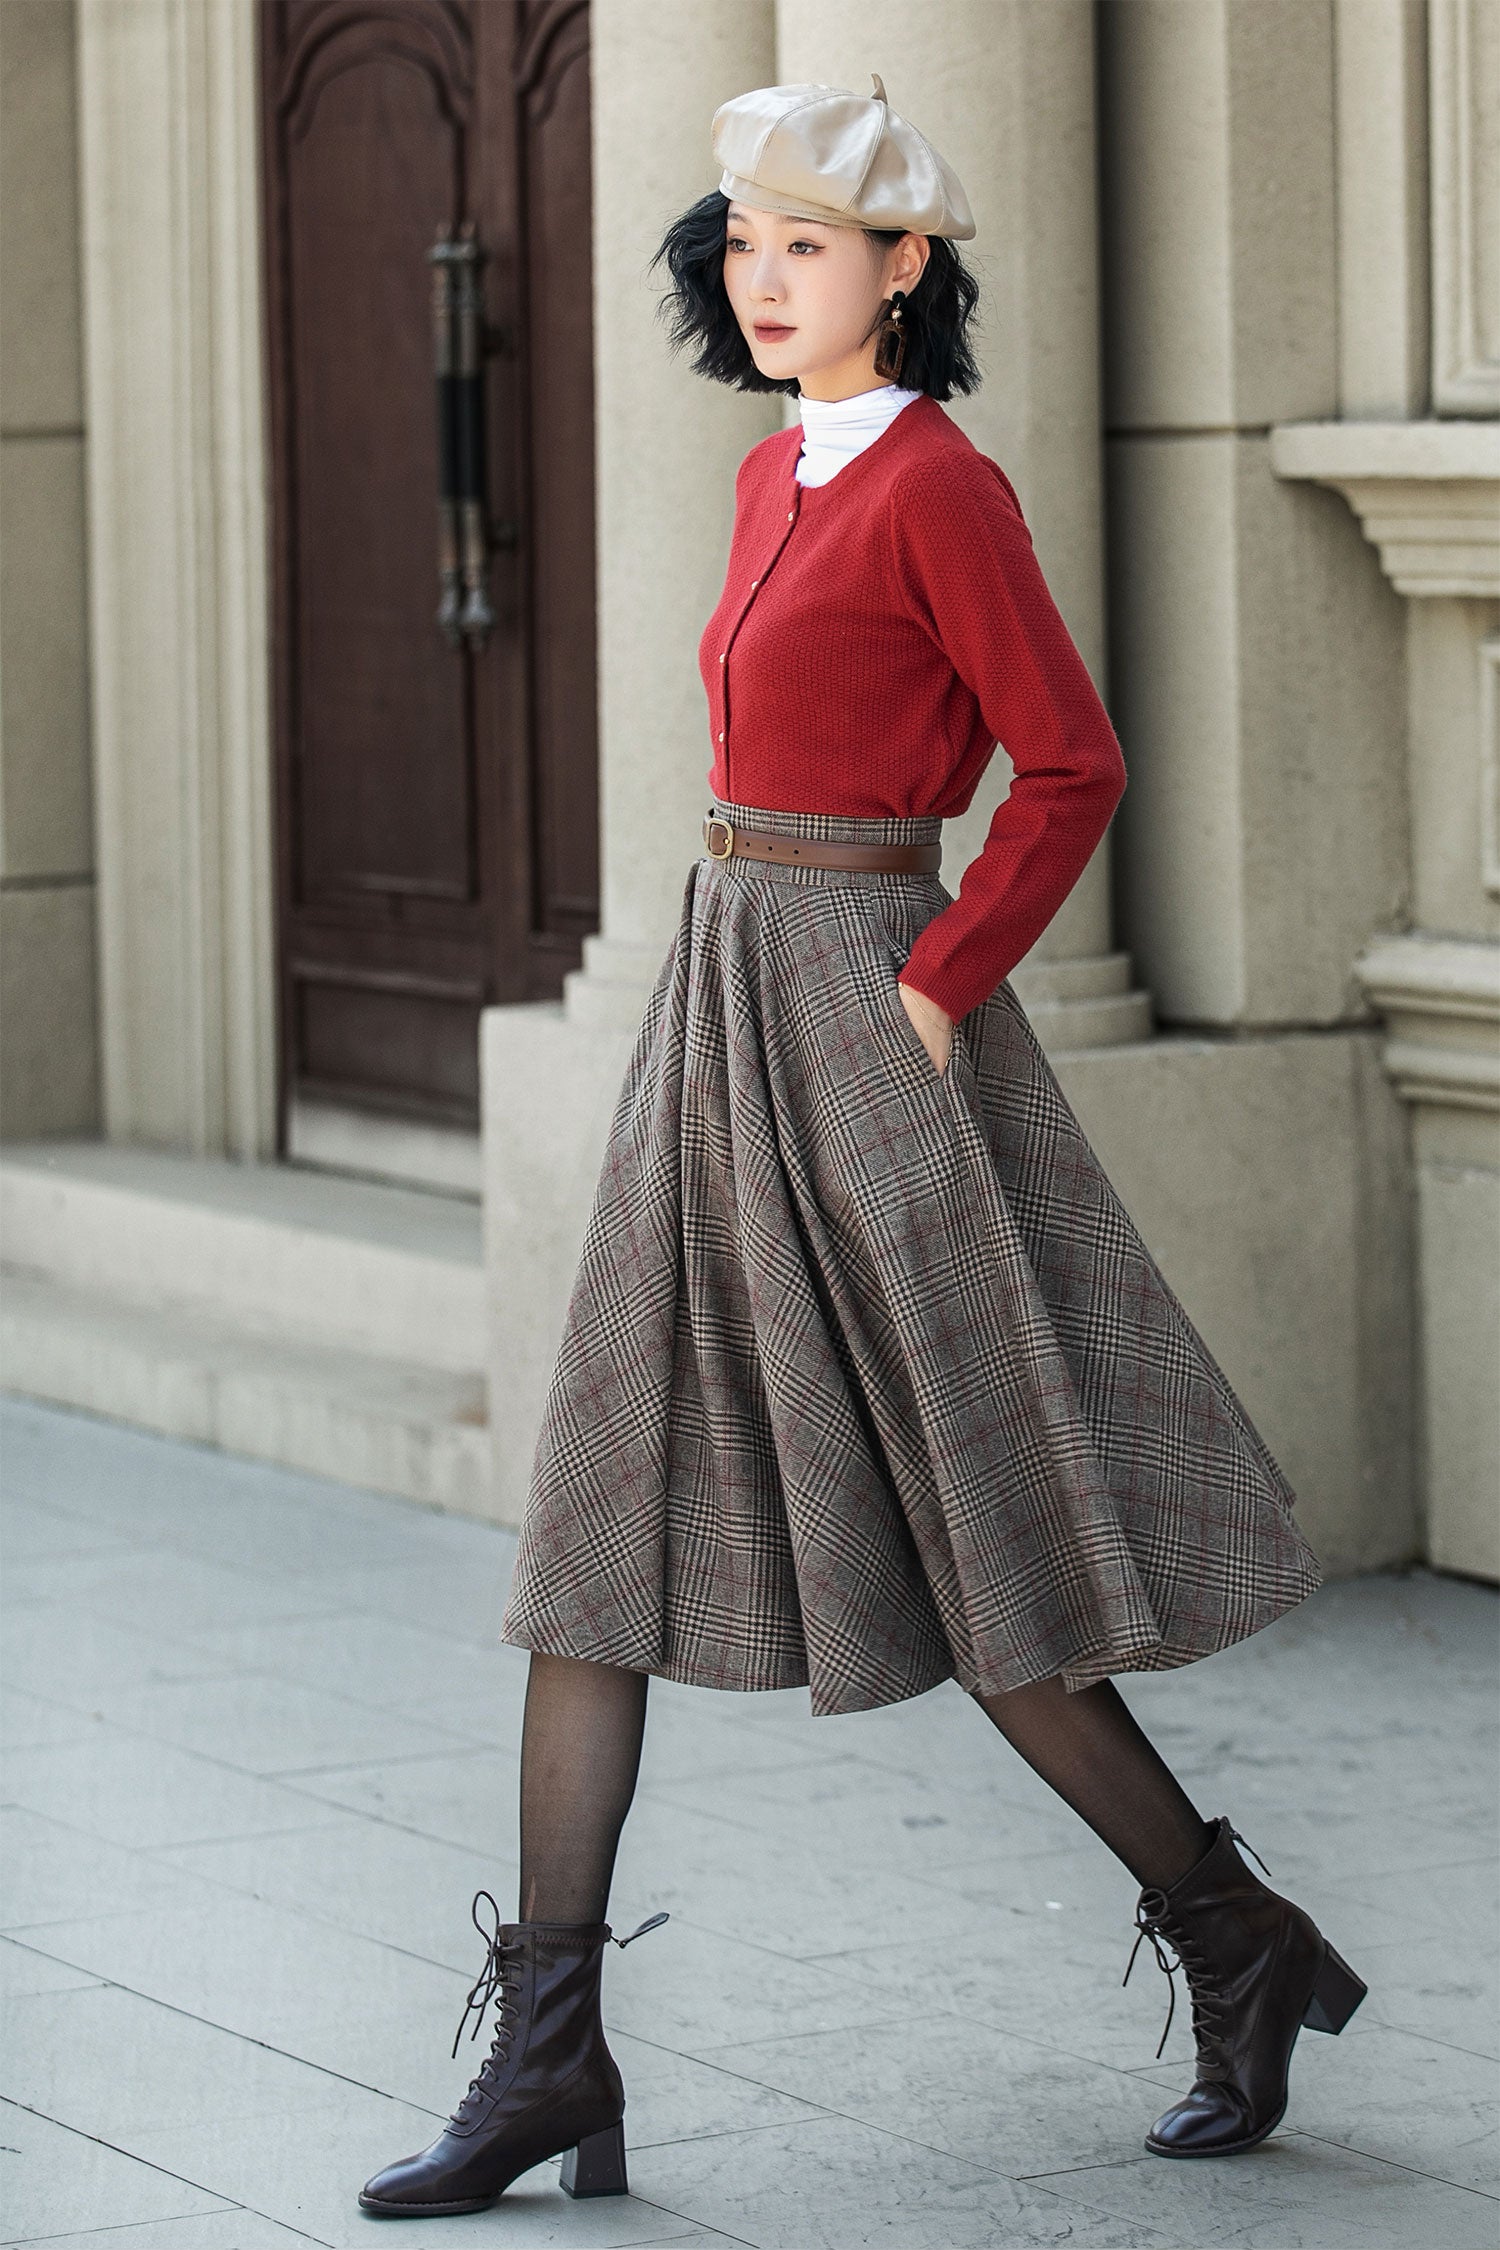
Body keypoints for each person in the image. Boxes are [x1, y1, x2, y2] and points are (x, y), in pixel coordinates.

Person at [358, 75, 1366, 2221]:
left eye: (806, 243)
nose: (764, 278)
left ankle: (1229, 1931)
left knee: (982, 1549)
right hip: (722, 1001)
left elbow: (1071, 764)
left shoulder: (942, 490)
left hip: (871, 1023)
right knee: (597, 1516)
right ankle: (552, 2053)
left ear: (903, 270)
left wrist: (939, 975)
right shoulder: (763, 477)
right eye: (743, 244)